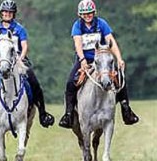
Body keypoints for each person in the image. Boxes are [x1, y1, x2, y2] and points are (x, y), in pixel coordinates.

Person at [59, 0, 139, 128]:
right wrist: (82, 60)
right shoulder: (77, 26)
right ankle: (68, 114)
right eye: (84, 14)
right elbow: (78, 44)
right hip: (84, 60)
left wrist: (119, 58)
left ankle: (126, 110)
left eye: (89, 13)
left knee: (119, 78)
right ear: (80, 15)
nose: (87, 16)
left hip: (103, 60)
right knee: (70, 83)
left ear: (94, 12)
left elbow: (110, 41)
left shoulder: (101, 23)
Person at [0, 0, 54, 128]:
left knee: (35, 84)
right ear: (1, 13)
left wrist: (21, 58)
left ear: (14, 14)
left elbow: (24, 45)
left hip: (18, 62)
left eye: (10, 12)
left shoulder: (19, 29)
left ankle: (43, 114)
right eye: (5, 12)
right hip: (2, 63)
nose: (7, 14)